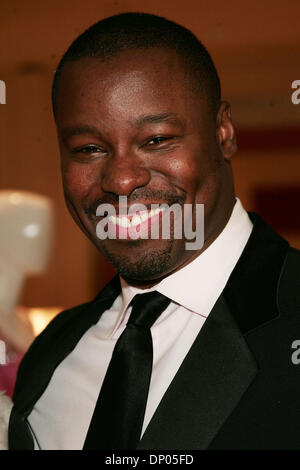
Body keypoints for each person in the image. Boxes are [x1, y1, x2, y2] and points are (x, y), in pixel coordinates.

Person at [9, 12, 300, 450]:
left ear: (223, 133)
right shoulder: (52, 353)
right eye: (89, 148)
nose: (122, 180)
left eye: (157, 139)